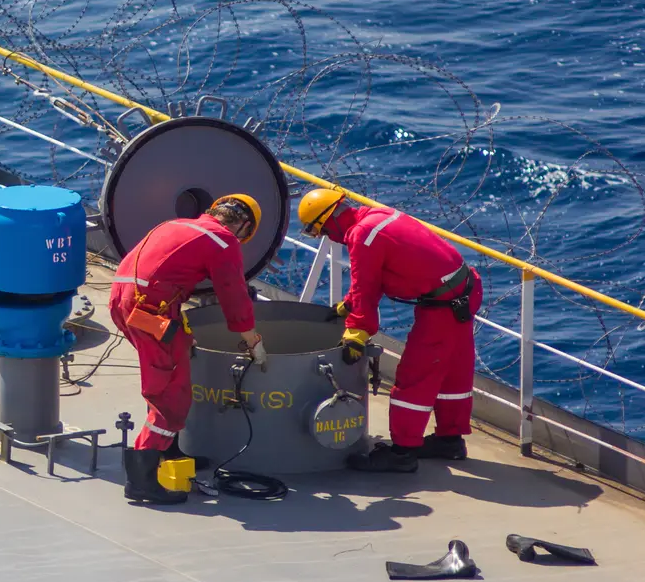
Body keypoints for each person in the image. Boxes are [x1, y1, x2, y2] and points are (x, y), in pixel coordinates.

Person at [297, 188, 482, 472]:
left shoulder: (362, 236)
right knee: (453, 374)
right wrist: (349, 305)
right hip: (464, 292)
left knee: (414, 377)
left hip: (443, 308)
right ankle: (450, 440)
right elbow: (386, 269)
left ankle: (402, 453)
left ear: (330, 220)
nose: (327, 238)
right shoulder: (378, 215)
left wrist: (357, 332)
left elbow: (366, 286)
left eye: (321, 231)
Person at [109, 194, 264, 505]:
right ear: (244, 227)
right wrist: (253, 340)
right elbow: (233, 295)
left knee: (166, 375)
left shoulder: (176, 225)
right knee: (170, 394)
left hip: (124, 301)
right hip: (151, 313)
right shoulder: (222, 240)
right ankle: (142, 479)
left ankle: (168, 450)